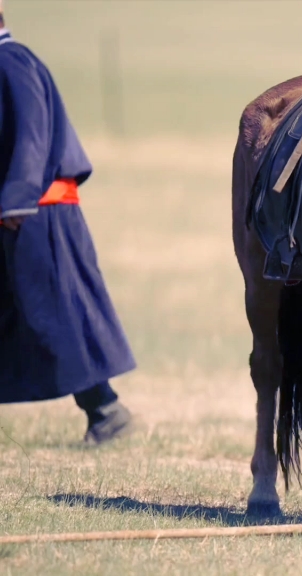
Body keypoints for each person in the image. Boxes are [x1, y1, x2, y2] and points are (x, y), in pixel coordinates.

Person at [0, 7, 136, 445]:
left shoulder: (13, 60)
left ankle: (105, 409)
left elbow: (32, 134)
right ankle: (103, 407)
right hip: (21, 211)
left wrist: (17, 201)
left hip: (37, 212)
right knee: (31, 314)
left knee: (57, 315)